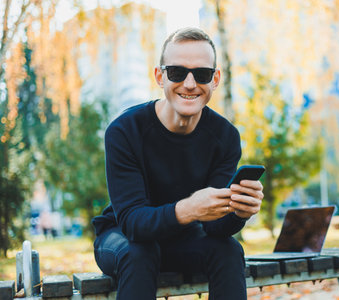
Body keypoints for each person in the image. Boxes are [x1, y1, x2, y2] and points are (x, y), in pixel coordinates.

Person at [92, 27, 264, 300]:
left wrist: (238, 212)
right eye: (177, 72)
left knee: (228, 249)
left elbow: (215, 227)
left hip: (184, 240)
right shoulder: (125, 131)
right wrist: (189, 209)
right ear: (160, 76)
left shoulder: (225, 136)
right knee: (140, 252)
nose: (190, 83)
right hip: (121, 238)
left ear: (215, 80)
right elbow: (133, 223)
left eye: (202, 74)